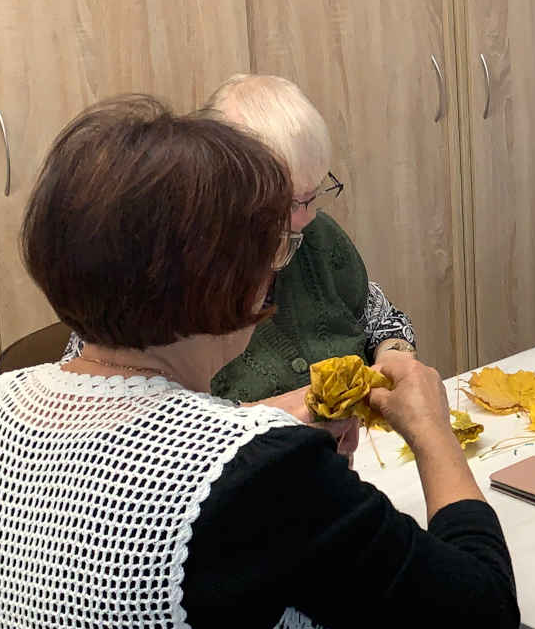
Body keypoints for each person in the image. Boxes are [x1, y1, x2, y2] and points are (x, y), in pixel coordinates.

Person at [0, 96, 516, 629]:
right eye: (271, 249)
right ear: (235, 282)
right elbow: (479, 620)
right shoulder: (254, 472)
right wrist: (432, 434)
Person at [64, 74, 419, 452]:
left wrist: (391, 364)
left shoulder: (318, 236)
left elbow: (383, 320)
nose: (303, 220)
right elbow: (121, 416)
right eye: (282, 204)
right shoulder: (169, 272)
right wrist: (282, 414)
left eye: (312, 196)